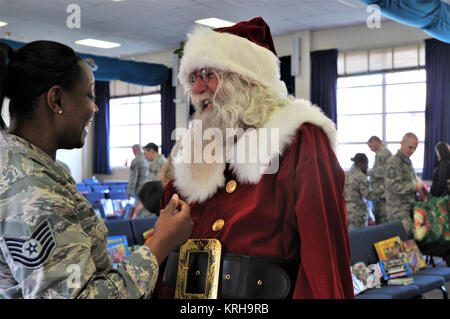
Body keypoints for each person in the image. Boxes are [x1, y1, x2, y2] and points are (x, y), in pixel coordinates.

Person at [155, 17, 354, 299]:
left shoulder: (299, 140)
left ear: (245, 80)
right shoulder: (197, 153)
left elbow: (324, 259)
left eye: (209, 75)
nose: (197, 90)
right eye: (193, 78)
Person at [0, 40, 193, 298]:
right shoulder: (34, 193)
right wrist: (159, 244)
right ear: (56, 100)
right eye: (90, 95)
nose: (95, 107)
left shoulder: (29, 167)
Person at [384, 132, 423, 235]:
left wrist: (417, 182)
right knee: (402, 241)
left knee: (409, 241)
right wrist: (415, 186)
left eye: (415, 148)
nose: (412, 151)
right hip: (397, 210)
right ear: (402, 143)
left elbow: (409, 180)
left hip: (408, 208)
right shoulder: (393, 162)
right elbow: (394, 186)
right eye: (410, 147)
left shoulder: (407, 161)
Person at [344, 153, 377, 229]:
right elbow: (368, 195)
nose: (367, 167)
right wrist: (380, 192)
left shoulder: (345, 175)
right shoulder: (361, 177)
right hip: (357, 212)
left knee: (349, 237)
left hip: (345, 211)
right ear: (360, 164)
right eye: (366, 164)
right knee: (359, 237)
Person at [367, 136, 392, 224]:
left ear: (375, 142)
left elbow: (379, 172)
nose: (370, 149)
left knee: (383, 217)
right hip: (379, 191)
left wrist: (364, 172)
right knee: (379, 216)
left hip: (381, 192)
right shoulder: (380, 152)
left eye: (370, 146)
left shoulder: (382, 153)